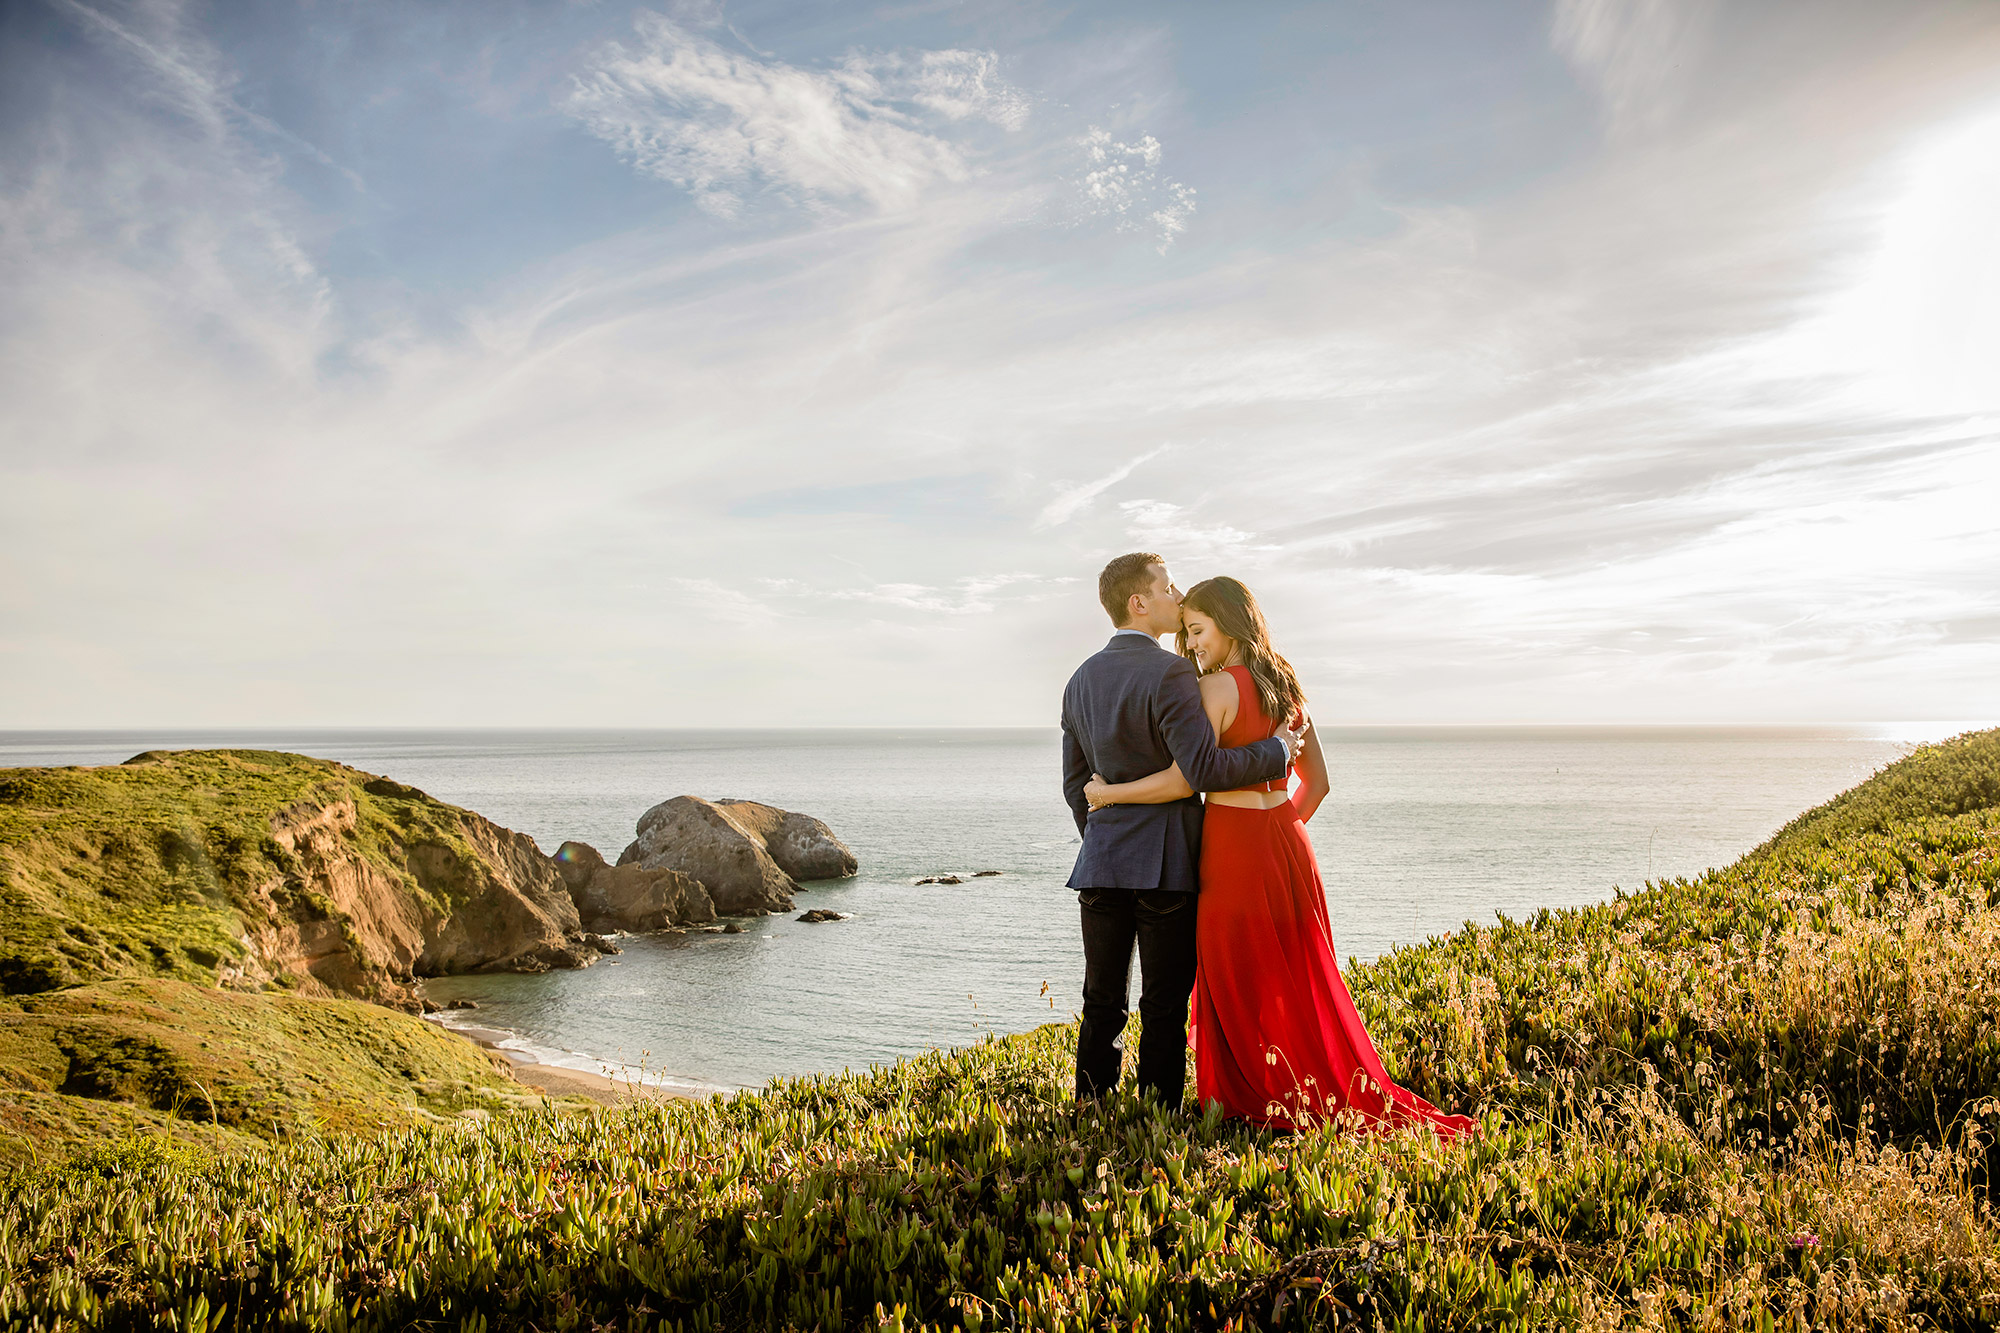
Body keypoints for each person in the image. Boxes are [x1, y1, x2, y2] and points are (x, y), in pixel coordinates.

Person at [1084, 576, 1474, 1136]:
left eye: (1197, 631)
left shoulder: (1213, 690)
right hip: (1287, 842)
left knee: (1234, 975)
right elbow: (1316, 785)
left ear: (1228, 622)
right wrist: (1278, 829)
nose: (1192, 645)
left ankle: (1255, 1089)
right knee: (1297, 972)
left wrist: (1109, 794)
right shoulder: (1288, 688)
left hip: (1232, 846)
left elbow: (1183, 779)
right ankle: (1310, 1078)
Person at [1060, 553, 1305, 1109]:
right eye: (1167, 588)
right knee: (1164, 1001)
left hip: (1100, 862)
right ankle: (1157, 1112)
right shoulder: (1171, 673)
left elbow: (1076, 787)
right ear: (1138, 602)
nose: (1176, 597)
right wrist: (1275, 751)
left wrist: (1102, 839)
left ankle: (1090, 1106)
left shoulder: (1078, 681)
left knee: (1101, 998)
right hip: (1167, 862)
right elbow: (1203, 770)